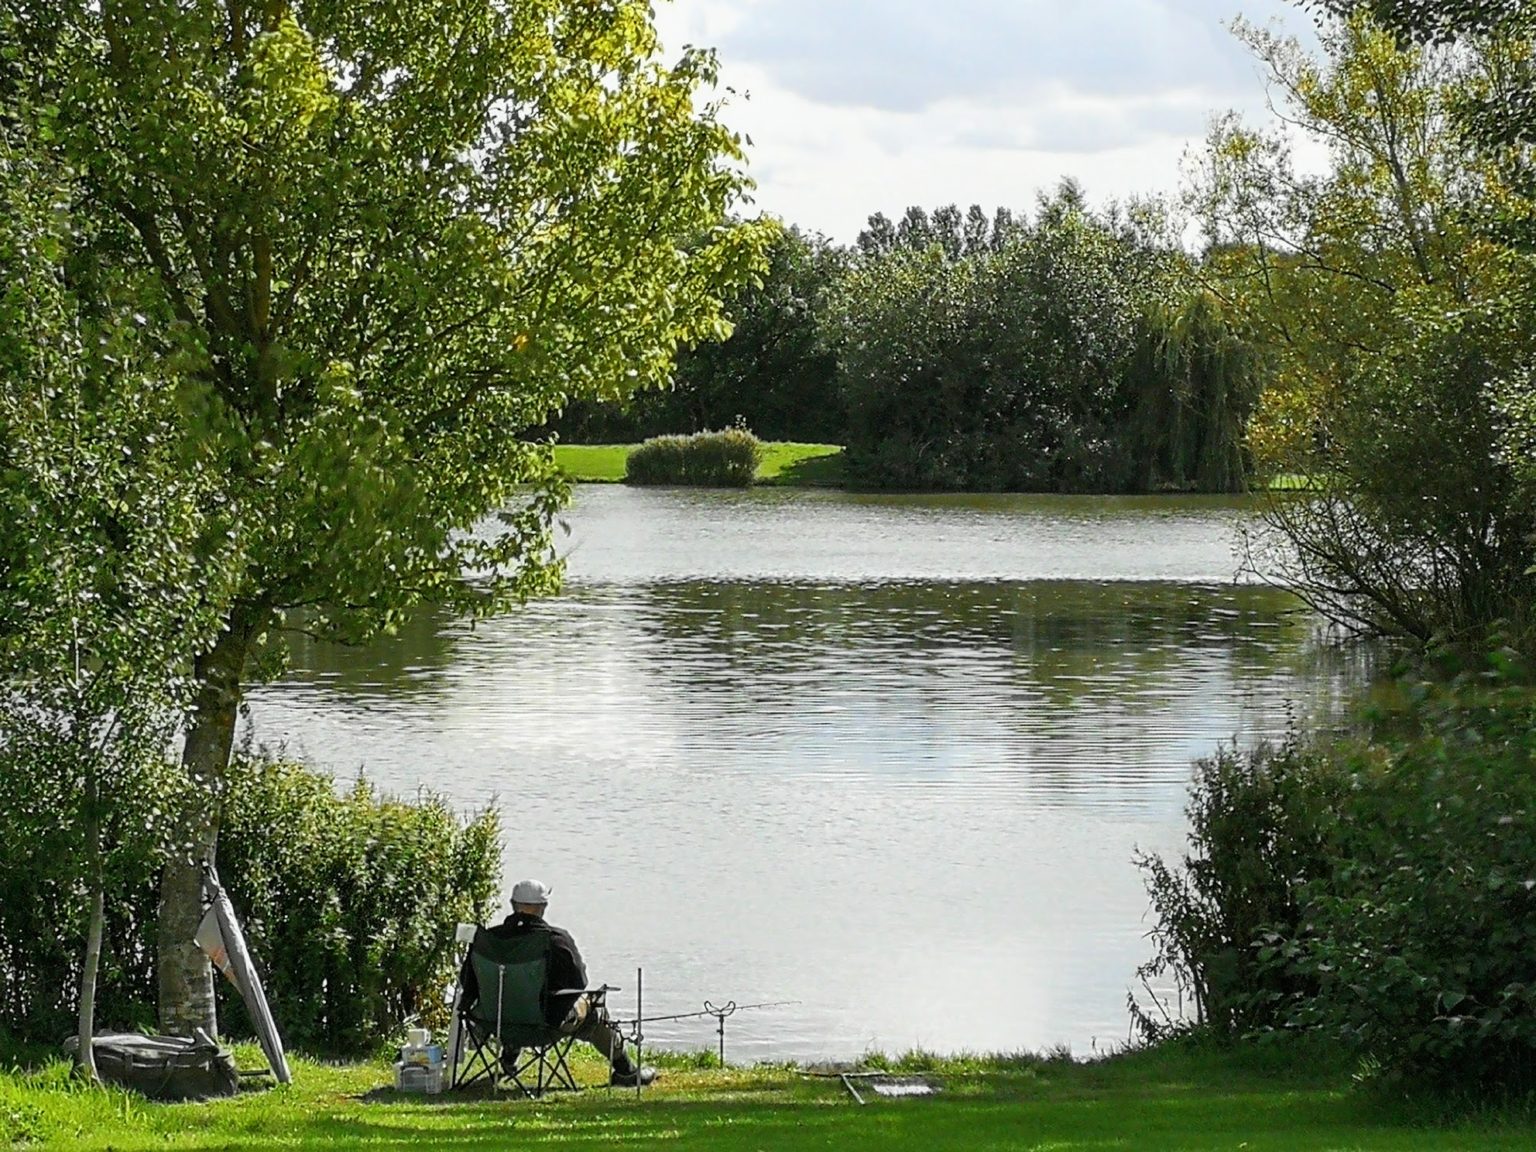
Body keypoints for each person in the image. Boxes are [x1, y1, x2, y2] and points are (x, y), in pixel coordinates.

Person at [459, 879, 656, 1087]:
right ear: (543, 907)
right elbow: (580, 982)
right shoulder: (556, 939)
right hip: (544, 1026)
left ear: (512, 904)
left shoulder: (488, 940)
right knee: (593, 1006)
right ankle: (626, 1071)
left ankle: (509, 1057)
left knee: (514, 997)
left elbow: (467, 981)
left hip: (494, 1022)